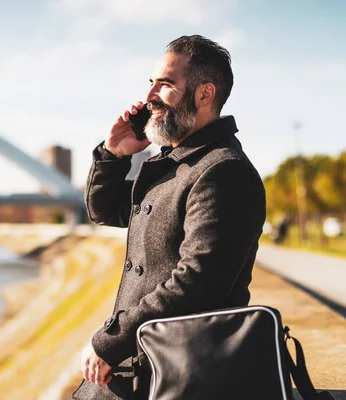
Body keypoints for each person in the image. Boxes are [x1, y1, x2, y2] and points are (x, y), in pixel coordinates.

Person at [73, 35, 266, 400]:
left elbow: (199, 281)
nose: (149, 97)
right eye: (151, 83)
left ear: (204, 94)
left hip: (177, 375)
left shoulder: (223, 171)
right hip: (146, 365)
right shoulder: (173, 165)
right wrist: (113, 155)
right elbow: (103, 211)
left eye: (165, 84)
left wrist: (111, 341)